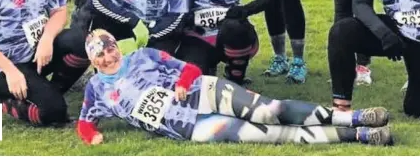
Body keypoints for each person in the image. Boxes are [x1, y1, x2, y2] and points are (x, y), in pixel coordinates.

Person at [76, 29, 393, 145]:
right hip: (189, 127)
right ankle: (359, 135)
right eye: (100, 54)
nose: (107, 56)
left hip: (204, 92)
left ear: (117, 46)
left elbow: (186, 68)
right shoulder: (96, 89)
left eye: (109, 48)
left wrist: (185, 84)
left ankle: (353, 117)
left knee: (271, 111)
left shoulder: (142, 55)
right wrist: (92, 136)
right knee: (270, 135)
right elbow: (85, 122)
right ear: (94, 61)